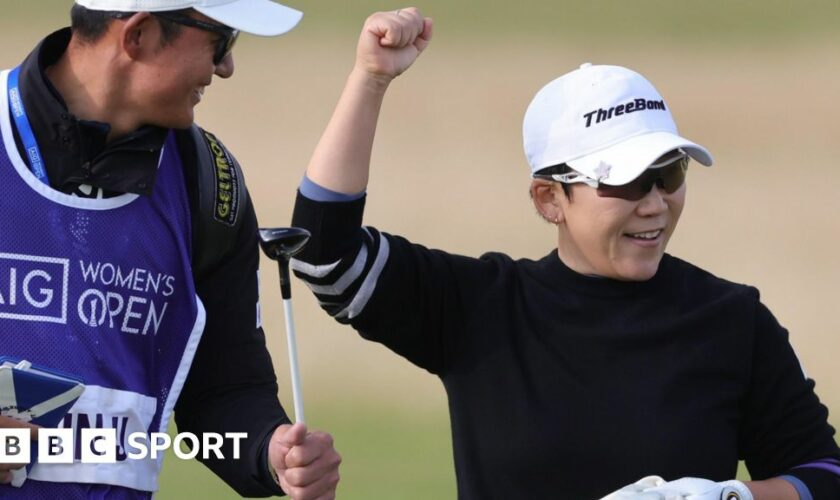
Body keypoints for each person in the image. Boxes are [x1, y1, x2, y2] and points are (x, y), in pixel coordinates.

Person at [288, 7, 840, 500]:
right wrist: (371, 79)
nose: (655, 204)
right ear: (550, 198)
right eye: (625, 183)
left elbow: (823, 472)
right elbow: (324, 254)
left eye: (668, 174)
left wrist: (728, 497)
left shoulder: (732, 321)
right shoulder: (482, 307)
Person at [0, 0, 340, 498]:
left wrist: (272, 453)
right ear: (138, 36)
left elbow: (223, 389)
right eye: (220, 41)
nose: (225, 67)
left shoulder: (210, 183)